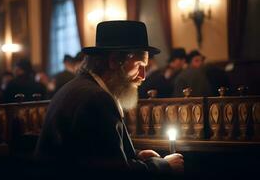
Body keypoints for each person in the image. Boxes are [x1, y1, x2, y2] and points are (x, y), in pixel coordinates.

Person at [35, 21, 184, 176]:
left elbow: (96, 155)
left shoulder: (79, 88)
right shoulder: (96, 99)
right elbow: (115, 174)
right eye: (139, 65)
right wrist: (164, 165)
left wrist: (134, 155)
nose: (143, 76)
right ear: (114, 61)